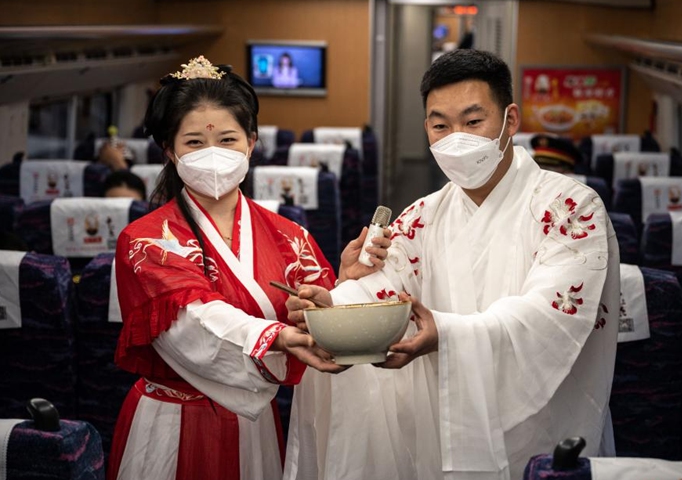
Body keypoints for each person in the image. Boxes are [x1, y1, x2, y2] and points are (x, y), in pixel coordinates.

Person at [284, 49, 620, 480]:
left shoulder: (571, 208)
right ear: (426, 128)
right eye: (440, 125)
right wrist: (333, 303)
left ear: (509, 121)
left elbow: (547, 317)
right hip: (439, 423)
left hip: (542, 423)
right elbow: (384, 288)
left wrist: (449, 333)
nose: (455, 137)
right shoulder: (421, 215)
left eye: (473, 122)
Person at [107, 55, 389, 480]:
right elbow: (192, 324)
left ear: (251, 143)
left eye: (227, 140)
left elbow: (323, 321)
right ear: (169, 150)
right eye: (194, 143)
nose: (213, 155)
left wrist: (344, 284)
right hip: (168, 421)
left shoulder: (289, 236)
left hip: (254, 424)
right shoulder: (145, 240)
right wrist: (275, 335)